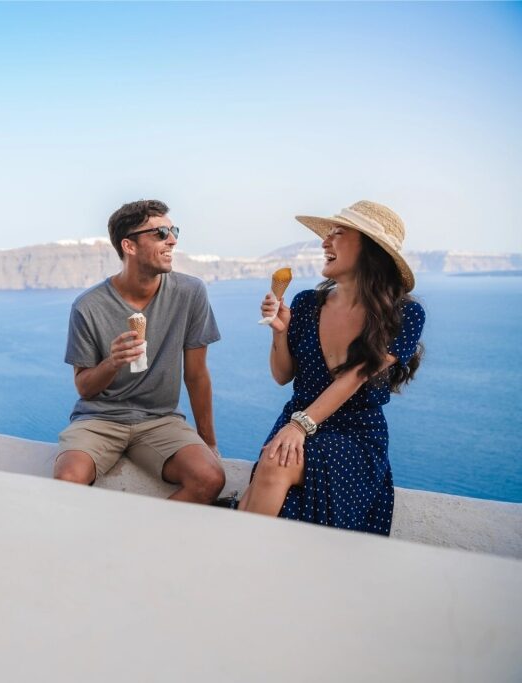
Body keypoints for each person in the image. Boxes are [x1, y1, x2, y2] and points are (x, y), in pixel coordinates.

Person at [238, 200, 425, 535]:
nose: (325, 242)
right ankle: (239, 564)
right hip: (297, 417)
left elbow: (356, 377)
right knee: (259, 490)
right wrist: (279, 331)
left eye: (338, 234)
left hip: (354, 434)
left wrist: (299, 427)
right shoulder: (307, 302)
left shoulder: (404, 314)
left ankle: (237, 563)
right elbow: (283, 375)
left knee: (273, 466)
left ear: (370, 249)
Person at [54, 199, 226, 503]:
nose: (172, 239)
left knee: (210, 478)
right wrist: (112, 362)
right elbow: (84, 387)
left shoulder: (190, 292)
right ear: (129, 246)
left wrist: (209, 442)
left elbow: (197, 376)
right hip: (99, 420)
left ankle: (143, 543)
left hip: (160, 420)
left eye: (173, 230)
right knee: (68, 480)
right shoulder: (88, 307)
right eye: (160, 232)